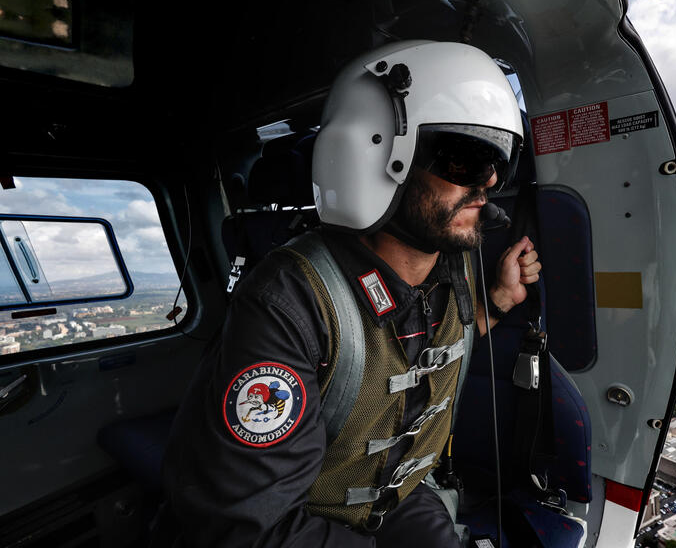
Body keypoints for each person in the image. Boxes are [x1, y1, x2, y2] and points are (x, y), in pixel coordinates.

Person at [162, 40, 541, 547]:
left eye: (500, 161)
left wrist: (496, 299)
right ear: (376, 154)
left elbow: (426, 341)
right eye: (467, 158)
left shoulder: (451, 269)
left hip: (401, 497)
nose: (490, 181)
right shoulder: (290, 301)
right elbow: (250, 529)